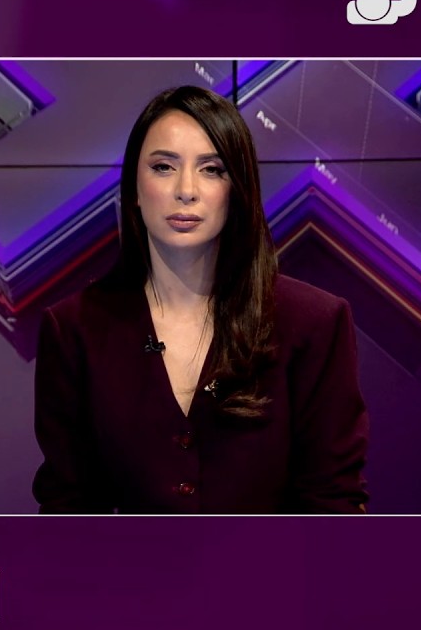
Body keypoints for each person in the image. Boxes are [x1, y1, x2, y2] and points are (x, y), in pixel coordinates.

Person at [32, 85, 369, 514]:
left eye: (211, 169)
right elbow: (68, 508)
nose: (186, 189)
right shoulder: (74, 328)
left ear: (237, 189)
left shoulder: (314, 323)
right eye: (163, 167)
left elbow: (334, 504)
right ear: (134, 188)